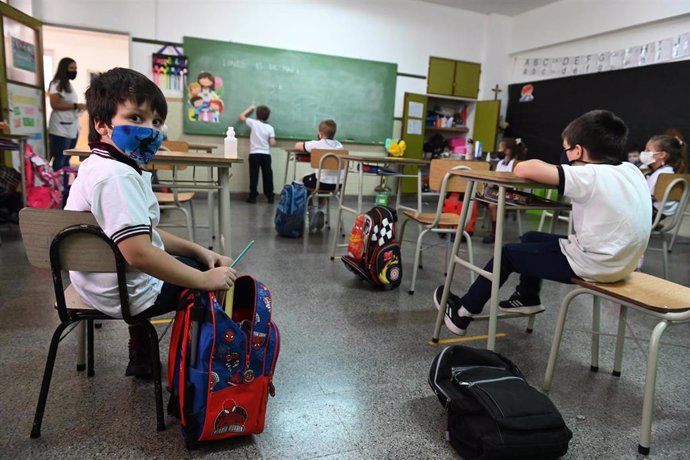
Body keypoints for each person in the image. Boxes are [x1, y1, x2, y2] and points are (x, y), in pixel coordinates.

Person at [65, 68, 237, 377]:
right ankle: (199, 373)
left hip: (93, 281)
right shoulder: (118, 177)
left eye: (156, 122)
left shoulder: (99, 164)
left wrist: (199, 250)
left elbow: (143, 233)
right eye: (136, 118)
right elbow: (140, 254)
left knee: (194, 262)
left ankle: (142, 351)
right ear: (102, 124)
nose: (150, 130)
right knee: (205, 277)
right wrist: (203, 279)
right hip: (121, 292)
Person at [434, 110, 652, 336]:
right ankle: (527, 297)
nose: (563, 153)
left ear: (578, 151)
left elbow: (523, 168)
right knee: (531, 237)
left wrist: (565, 163)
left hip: (596, 264)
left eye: (566, 148)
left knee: (507, 254)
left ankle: (462, 313)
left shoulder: (588, 174)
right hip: (623, 262)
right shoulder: (631, 170)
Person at [294, 119, 343, 230]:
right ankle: (321, 209)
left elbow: (297, 145)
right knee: (320, 180)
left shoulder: (317, 144)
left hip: (320, 183)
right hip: (337, 185)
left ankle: (312, 210)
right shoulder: (340, 146)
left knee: (301, 181)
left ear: (320, 133)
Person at [482, 137, 526, 244]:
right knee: (481, 196)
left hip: (510, 193)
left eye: (500, 148)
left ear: (507, 151)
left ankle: (495, 233)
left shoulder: (514, 164)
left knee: (492, 204)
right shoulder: (500, 163)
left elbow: (514, 183)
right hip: (498, 190)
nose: (498, 150)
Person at [47, 57, 86, 171]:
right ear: (64, 68)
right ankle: (57, 185)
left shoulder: (68, 85)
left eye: (75, 68)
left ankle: (62, 184)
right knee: (60, 159)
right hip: (60, 128)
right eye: (71, 68)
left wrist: (78, 107)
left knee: (66, 160)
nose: (74, 71)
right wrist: (75, 106)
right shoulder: (56, 83)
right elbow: (54, 104)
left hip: (71, 127)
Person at [639, 134, 687, 222]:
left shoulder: (663, 174)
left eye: (648, 150)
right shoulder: (668, 170)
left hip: (649, 215)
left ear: (661, 155)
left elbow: (644, 196)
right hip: (657, 214)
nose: (644, 153)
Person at [240, 104, 276, 203]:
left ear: (257, 115)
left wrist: (250, 108)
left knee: (254, 175)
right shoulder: (270, 128)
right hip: (266, 154)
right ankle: (270, 196)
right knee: (267, 175)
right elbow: (272, 142)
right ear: (268, 116)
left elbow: (241, 117)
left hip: (254, 153)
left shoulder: (253, 123)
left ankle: (252, 196)